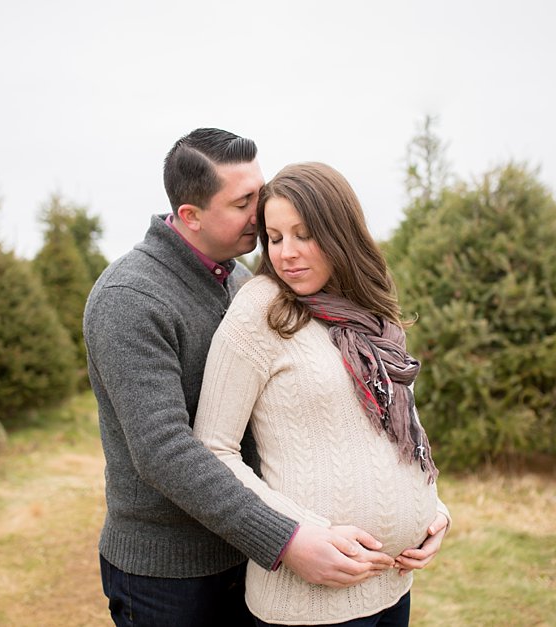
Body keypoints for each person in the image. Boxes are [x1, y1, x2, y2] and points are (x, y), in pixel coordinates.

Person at [85, 130, 429, 627]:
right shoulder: (130, 298)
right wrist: (285, 537)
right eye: (244, 201)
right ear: (191, 216)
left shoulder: (247, 283)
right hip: (173, 572)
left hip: (247, 550)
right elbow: (163, 450)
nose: (261, 210)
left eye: (259, 191)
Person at [192, 161, 451, 626]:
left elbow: (400, 431)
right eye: (275, 238)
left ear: (339, 232)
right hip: (308, 602)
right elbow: (214, 448)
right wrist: (295, 533)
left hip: (393, 584)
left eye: (304, 234)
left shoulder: (373, 315)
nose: (286, 253)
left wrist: (434, 509)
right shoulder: (262, 308)